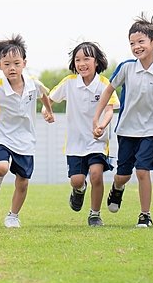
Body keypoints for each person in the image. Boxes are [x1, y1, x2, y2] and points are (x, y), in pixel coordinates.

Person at [92, 13, 153, 228]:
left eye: (140, 42)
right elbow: (109, 90)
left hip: (150, 131)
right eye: (132, 43)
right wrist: (97, 117)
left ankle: (145, 215)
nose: (136, 47)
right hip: (126, 130)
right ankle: (117, 188)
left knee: (143, 170)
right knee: (122, 175)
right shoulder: (127, 67)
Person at [0, 35, 54, 228]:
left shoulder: (32, 83)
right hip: (0, 136)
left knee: (23, 182)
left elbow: (44, 94)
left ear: (24, 63)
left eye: (16, 63)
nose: (12, 68)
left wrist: (48, 111)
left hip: (26, 139)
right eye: (7, 64)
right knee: (1, 167)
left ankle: (13, 215)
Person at [49, 41, 118, 227]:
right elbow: (49, 99)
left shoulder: (105, 85)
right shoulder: (69, 82)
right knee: (77, 180)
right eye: (78, 60)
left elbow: (110, 110)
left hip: (97, 141)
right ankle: (79, 190)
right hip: (74, 143)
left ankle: (95, 214)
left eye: (86, 58)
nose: (82, 63)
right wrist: (47, 111)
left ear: (96, 62)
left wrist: (102, 125)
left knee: (96, 174)